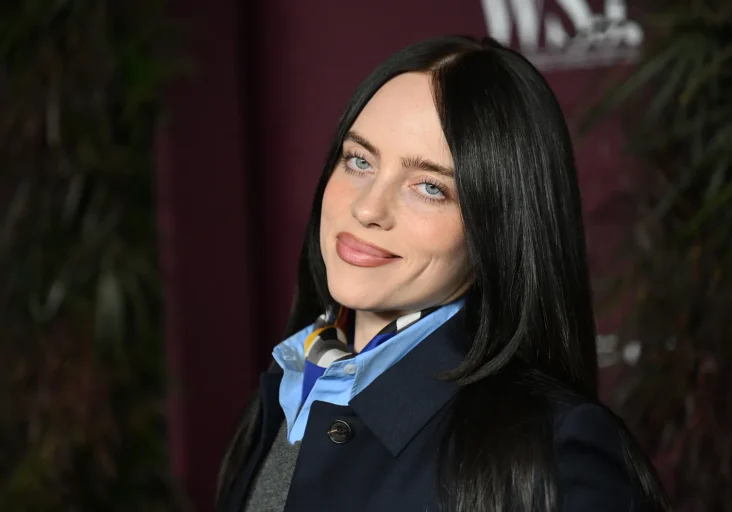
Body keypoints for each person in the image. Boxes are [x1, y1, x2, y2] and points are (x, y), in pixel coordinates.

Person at [215, 35, 669, 512]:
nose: (368, 208)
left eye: (430, 187)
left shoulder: (554, 449)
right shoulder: (289, 386)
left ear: (498, 228)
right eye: (359, 161)